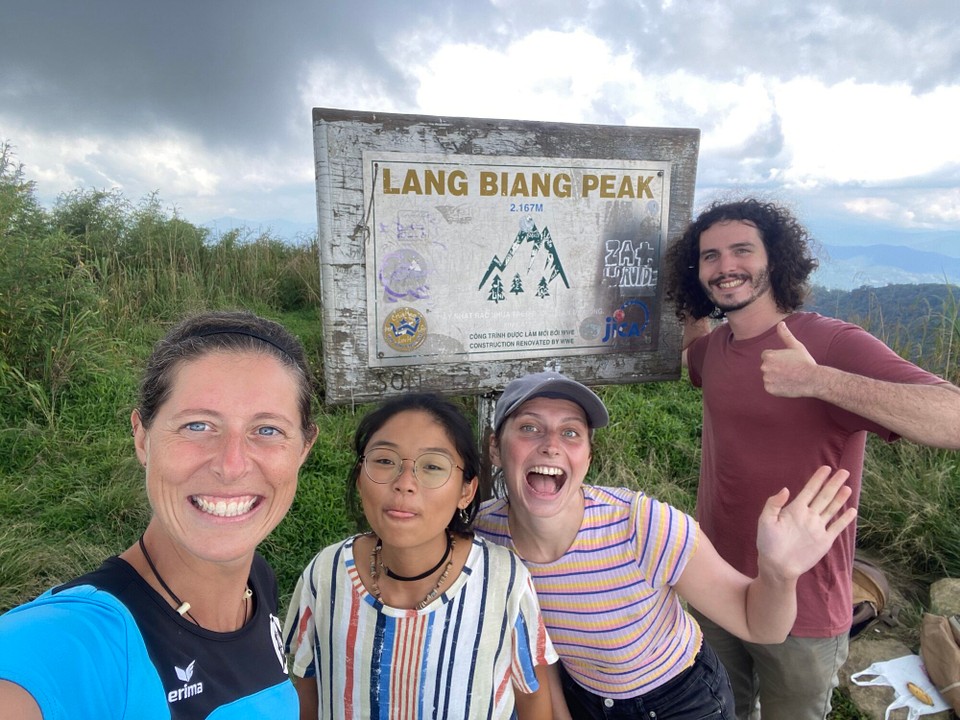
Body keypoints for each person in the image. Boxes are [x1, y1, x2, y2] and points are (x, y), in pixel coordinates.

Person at [663, 197, 960, 720]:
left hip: (805, 604)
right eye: (709, 257)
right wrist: (691, 314)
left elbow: (952, 417)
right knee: (721, 709)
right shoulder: (718, 350)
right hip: (717, 585)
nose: (725, 266)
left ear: (774, 259)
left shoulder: (829, 342)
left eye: (741, 251)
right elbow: (695, 362)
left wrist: (818, 380)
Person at [473, 370, 858, 720]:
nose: (551, 445)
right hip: (583, 697)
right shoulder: (483, 539)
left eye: (571, 432)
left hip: (678, 700)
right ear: (495, 448)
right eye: (529, 428)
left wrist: (778, 573)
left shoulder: (642, 526)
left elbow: (761, 626)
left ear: (587, 458)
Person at [0, 310, 319, 719]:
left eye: (268, 430)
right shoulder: (79, 639)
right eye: (198, 426)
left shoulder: (256, 583)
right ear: (142, 438)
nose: (232, 464)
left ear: (303, 450)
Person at [283, 393, 557, 720]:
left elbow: (533, 702)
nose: (405, 484)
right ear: (360, 477)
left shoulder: (504, 583)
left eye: (432, 466)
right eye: (385, 460)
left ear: (465, 491)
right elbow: (305, 696)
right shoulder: (325, 575)